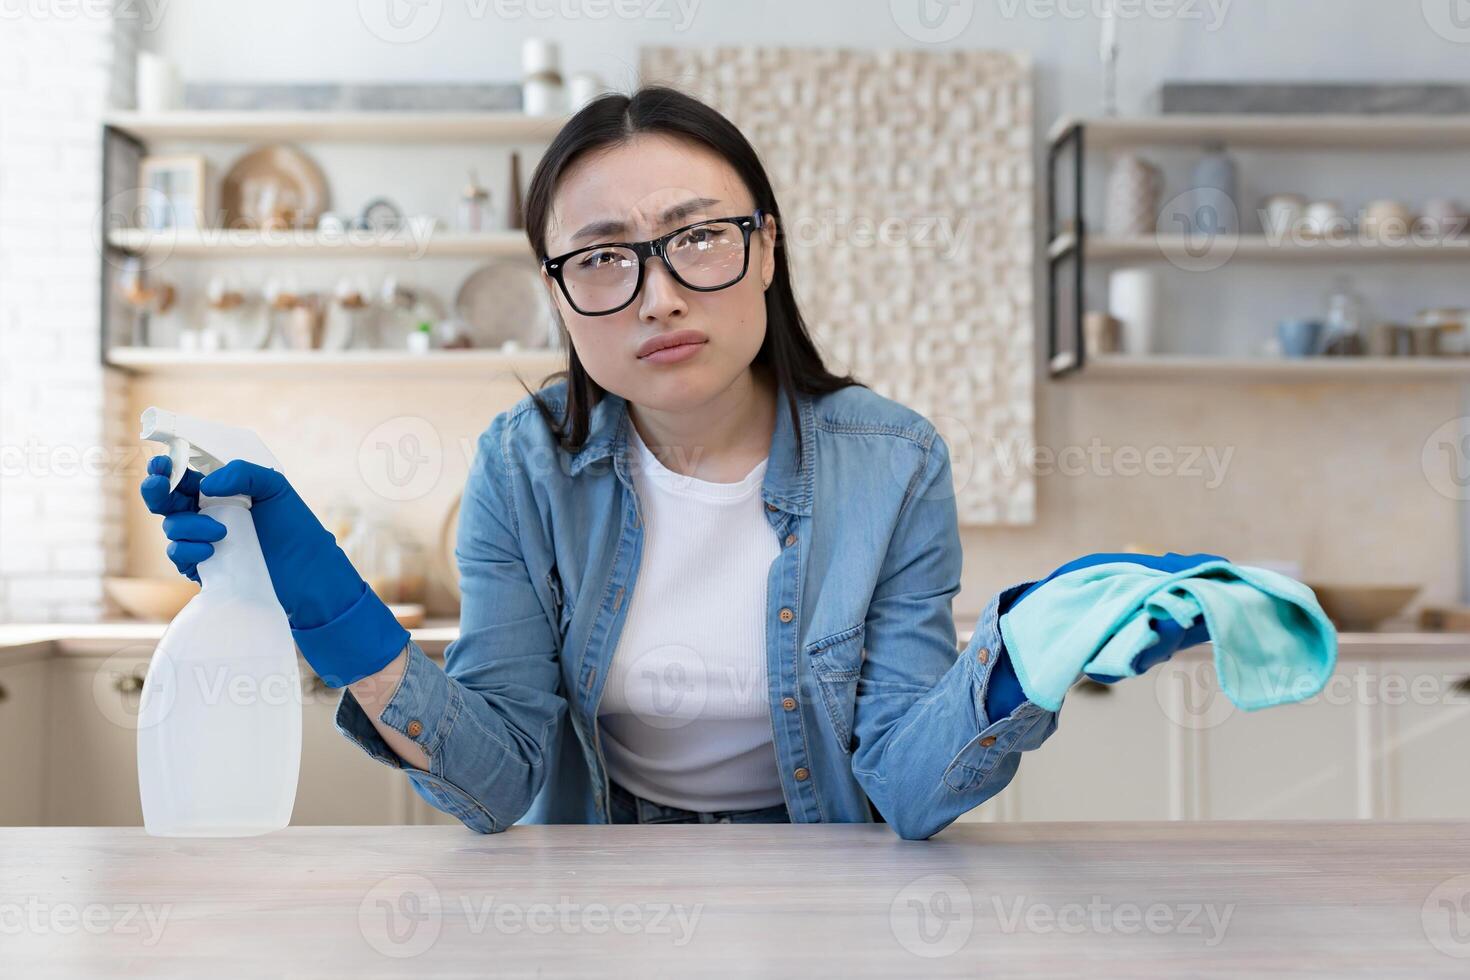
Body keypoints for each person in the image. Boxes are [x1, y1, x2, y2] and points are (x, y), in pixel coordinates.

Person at [141, 86, 1206, 839]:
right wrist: (323, 597)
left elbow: (905, 780)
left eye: (697, 238)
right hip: (604, 870)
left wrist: (1027, 657)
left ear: (767, 249)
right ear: (558, 295)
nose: (656, 293)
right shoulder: (522, 469)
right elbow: (498, 777)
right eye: (603, 256)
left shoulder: (895, 463)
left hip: (823, 871)